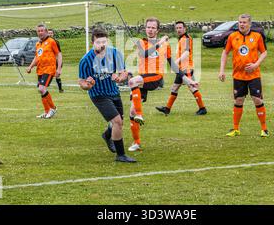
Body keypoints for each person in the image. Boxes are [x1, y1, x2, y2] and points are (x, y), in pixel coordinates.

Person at [128, 17, 198, 152]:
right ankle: (136, 143)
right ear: (145, 28)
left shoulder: (165, 46)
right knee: (131, 111)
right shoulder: (141, 42)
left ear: (157, 30)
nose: (150, 29)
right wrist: (158, 43)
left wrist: (188, 80)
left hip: (156, 77)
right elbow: (144, 54)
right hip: (143, 79)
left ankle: (140, 114)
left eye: (153, 27)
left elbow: (173, 65)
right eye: (148, 27)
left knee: (132, 81)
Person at [78, 28, 136, 163]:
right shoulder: (86, 60)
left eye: (104, 41)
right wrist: (88, 84)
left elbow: (124, 73)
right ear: (93, 43)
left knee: (118, 122)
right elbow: (81, 82)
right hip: (98, 95)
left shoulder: (115, 53)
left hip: (114, 92)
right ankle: (120, 155)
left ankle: (107, 135)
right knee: (117, 122)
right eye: (98, 42)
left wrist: (120, 78)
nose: (102, 45)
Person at [219, 14, 269, 137]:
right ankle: (235, 129)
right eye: (240, 22)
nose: (242, 24)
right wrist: (221, 70)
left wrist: (256, 65)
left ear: (250, 24)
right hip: (238, 75)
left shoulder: (257, 36)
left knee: (257, 99)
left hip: (253, 75)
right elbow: (225, 53)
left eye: (244, 22)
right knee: (238, 100)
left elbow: (264, 52)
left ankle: (264, 129)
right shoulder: (232, 36)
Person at [156, 21, 207, 116]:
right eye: (177, 28)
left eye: (180, 28)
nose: (178, 30)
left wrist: (177, 61)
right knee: (174, 88)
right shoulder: (181, 39)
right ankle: (167, 109)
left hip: (187, 67)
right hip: (181, 69)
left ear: (185, 29)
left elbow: (187, 52)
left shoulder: (187, 39)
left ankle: (202, 108)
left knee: (192, 87)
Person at [26, 24, 62, 119]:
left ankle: (53, 108)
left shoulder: (51, 41)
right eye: (38, 31)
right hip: (40, 70)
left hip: (49, 69)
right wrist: (30, 66)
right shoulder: (38, 44)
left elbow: (59, 54)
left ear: (46, 31)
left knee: (42, 89)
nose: (40, 32)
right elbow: (37, 57)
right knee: (41, 91)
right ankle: (46, 111)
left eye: (42, 30)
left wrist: (59, 69)